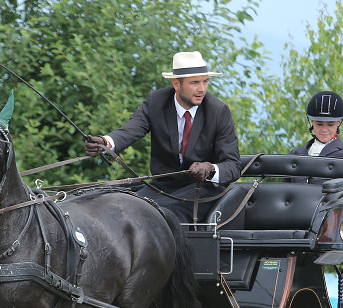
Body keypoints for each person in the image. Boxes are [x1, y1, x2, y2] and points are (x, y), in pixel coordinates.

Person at [84, 51, 241, 223]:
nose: (202, 89)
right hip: (161, 187)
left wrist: (210, 168)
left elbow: (233, 165)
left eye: (205, 81)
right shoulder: (156, 101)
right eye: (194, 83)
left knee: (161, 215)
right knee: (122, 209)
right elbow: (131, 130)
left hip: (201, 188)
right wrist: (105, 142)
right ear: (176, 84)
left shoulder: (218, 111)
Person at [290, 90, 343, 210]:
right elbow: (284, 192)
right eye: (319, 124)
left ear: (339, 123)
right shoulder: (296, 154)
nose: (324, 130)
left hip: (331, 223)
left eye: (330, 125)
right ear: (312, 122)